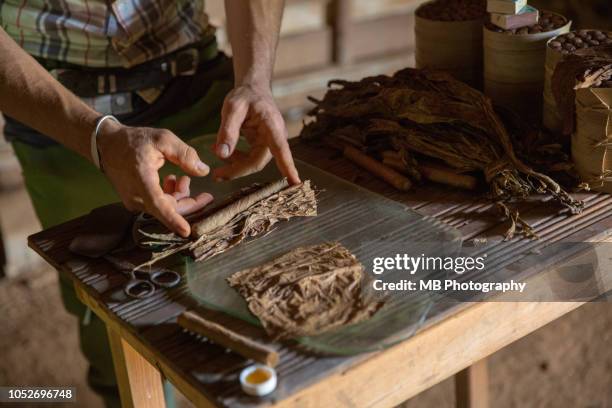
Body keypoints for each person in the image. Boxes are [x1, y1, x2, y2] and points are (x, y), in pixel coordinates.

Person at [0, 1, 299, 406]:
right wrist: (98, 139)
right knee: (116, 313)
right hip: (57, 111)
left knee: (247, 293)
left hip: (199, 87)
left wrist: (254, 80)